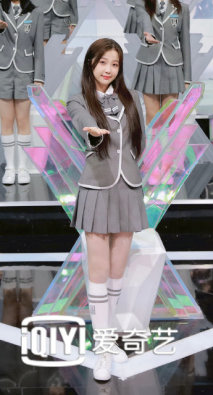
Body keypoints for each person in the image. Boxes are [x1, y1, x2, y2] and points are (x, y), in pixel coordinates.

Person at [66, 38, 147, 381]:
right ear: (91, 63)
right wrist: (93, 133)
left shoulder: (131, 98)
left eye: (114, 64)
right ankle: (102, 348)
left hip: (128, 187)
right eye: (103, 62)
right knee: (98, 269)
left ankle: (108, 338)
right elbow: (82, 121)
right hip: (97, 186)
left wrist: (131, 167)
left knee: (117, 270)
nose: (108, 69)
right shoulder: (78, 100)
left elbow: (139, 142)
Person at [0, 0, 45, 185]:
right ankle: (10, 168)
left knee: (23, 121)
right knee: (6, 121)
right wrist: (0, 27)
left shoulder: (36, 13)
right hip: (2, 70)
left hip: (25, 72)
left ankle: (22, 168)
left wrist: (39, 77)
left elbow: (39, 48)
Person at [134, 0, 192, 122]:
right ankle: (152, 140)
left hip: (173, 65)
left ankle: (167, 140)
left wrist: (187, 78)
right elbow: (144, 22)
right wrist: (148, 35)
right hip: (149, 64)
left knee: (169, 117)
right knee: (152, 116)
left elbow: (185, 43)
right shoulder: (142, 5)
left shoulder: (182, 9)